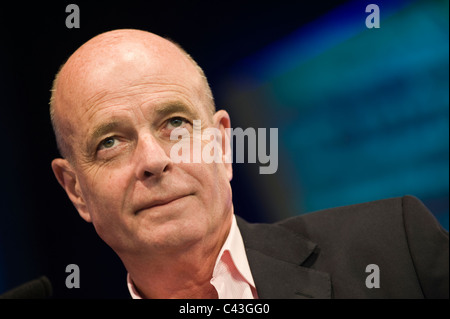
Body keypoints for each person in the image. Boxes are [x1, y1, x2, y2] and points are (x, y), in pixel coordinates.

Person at [50, 29, 449, 299]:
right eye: (110, 142)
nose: (153, 160)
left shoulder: (393, 247)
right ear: (75, 190)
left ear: (223, 145)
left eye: (175, 124)